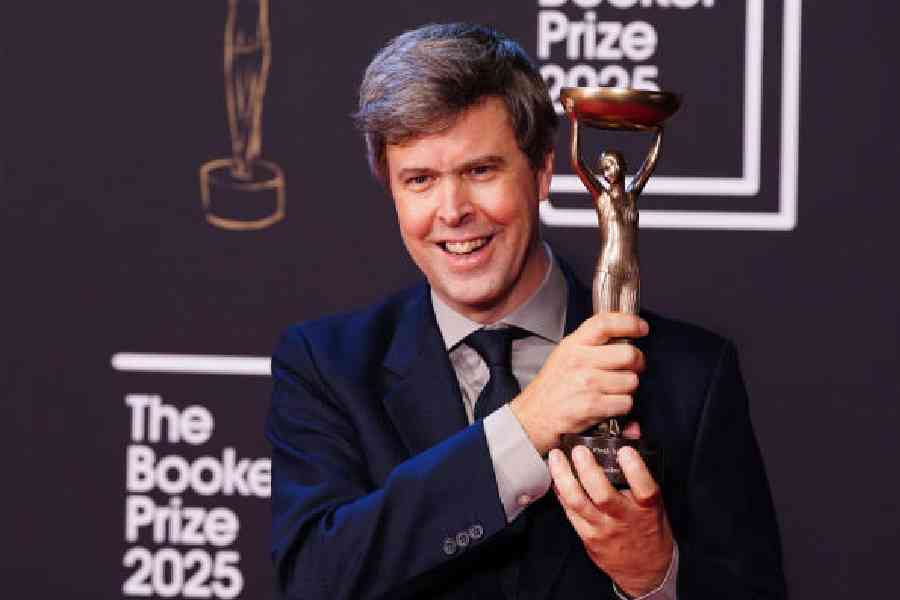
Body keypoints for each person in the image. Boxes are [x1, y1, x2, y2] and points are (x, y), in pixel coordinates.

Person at [266, 23, 785, 600]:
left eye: (480, 171)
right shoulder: (327, 366)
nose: (453, 211)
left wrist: (654, 576)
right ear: (390, 188)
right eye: (420, 180)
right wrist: (524, 427)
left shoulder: (690, 373)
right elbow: (316, 579)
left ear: (542, 172)